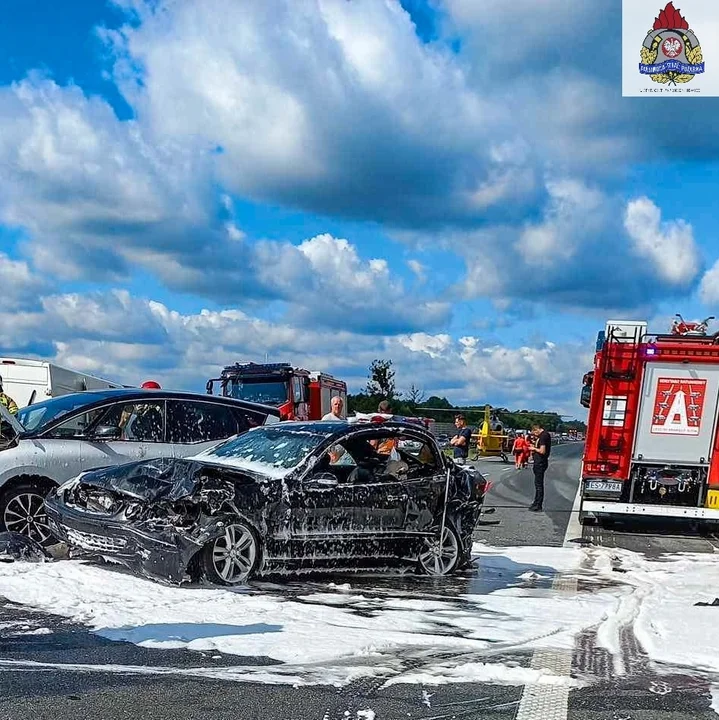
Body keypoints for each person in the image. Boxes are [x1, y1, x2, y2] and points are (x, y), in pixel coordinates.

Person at [529, 423, 552, 511]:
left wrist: (534, 449)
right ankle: (536, 502)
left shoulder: (543, 436)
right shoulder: (544, 436)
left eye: (534, 433)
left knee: (539, 485)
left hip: (540, 462)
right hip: (539, 462)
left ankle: (538, 504)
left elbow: (542, 451)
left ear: (537, 429)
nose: (534, 435)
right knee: (538, 484)